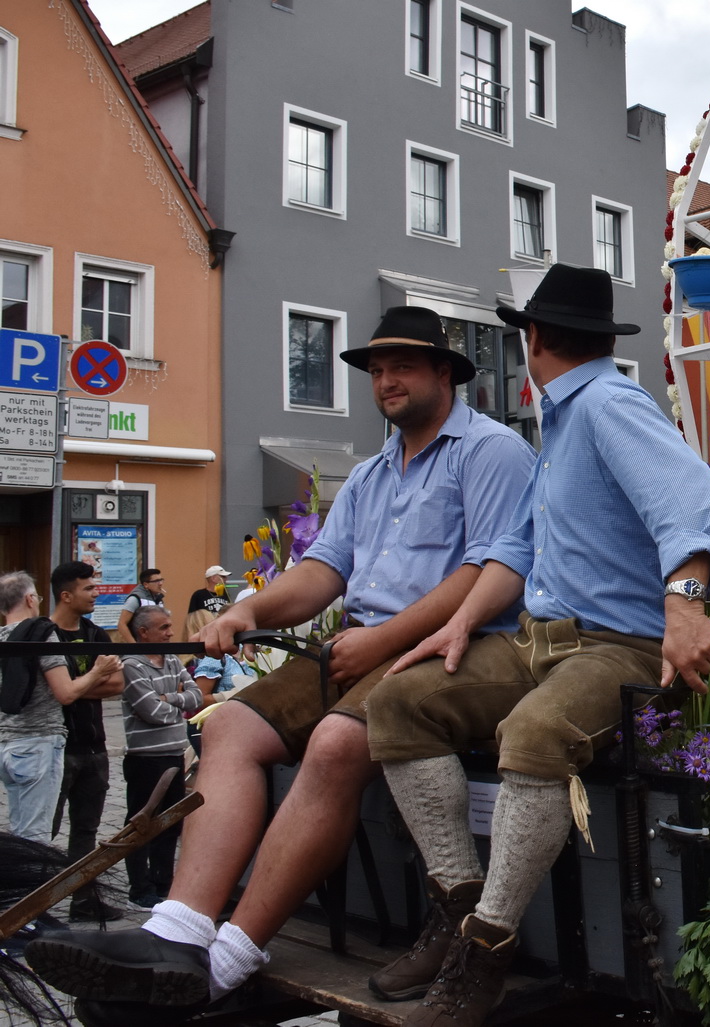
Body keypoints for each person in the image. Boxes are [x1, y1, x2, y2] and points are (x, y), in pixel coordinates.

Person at [30, 306, 538, 1012]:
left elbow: (486, 573)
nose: (386, 381)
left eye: (402, 367)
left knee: (334, 743)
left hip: (451, 647)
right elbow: (323, 570)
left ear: (444, 373)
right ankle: (179, 931)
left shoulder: (492, 451)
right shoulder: (371, 473)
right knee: (228, 726)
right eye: (377, 370)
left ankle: (229, 960)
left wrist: (381, 640)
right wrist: (247, 611)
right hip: (360, 641)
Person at [360, 266, 710, 1027]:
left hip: (618, 647)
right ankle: (457, 905)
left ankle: (483, 953)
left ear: (531, 337)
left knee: (533, 733)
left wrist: (686, 606)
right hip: (538, 642)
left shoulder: (606, 404)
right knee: (399, 701)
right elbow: (518, 546)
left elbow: (690, 500)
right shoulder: (560, 420)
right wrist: (461, 621)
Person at [0, 573, 119, 847]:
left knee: (19, 831)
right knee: (35, 838)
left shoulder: (2, 637)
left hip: (7, 745)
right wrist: (98, 671)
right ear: (30, 599)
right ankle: (33, 877)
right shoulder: (42, 634)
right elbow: (65, 693)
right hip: (38, 742)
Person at [49, 562, 125, 920]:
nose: (96, 593)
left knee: (86, 830)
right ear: (66, 595)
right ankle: (28, 907)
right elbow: (53, 691)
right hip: (56, 748)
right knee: (40, 831)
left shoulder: (96, 634)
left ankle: (82, 902)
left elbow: (118, 684)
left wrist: (73, 687)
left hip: (94, 747)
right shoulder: (45, 636)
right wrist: (93, 677)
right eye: (88, 588)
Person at [119, 605, 202, 909]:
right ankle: (139, 888)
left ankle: (163, 883)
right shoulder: (132, 665)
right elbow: (151, 711)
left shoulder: (172, 660)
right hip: (145, 758)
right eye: (163, 627)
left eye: (169, 626)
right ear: (143, 632)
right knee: (140, 822)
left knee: (170, 823)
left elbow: (195, 696)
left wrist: (169, 698)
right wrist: (176, 705)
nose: (170, 632)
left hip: (174, 753)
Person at [116, 569, 166, 645]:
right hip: (140, 644)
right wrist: (135, 646)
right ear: (146, 584)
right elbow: (122, 624)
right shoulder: (135, 599)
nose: (160, 584)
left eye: (161, 580)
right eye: (156, 581)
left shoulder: (158, 598)